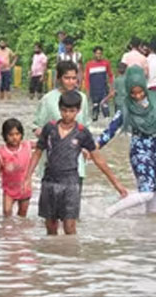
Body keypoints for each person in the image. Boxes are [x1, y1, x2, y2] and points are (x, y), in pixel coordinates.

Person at [24, 90, 127, 235]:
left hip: (71, 182)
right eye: (64, 110)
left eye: (71, 111)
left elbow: (98, 158)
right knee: (51, 225)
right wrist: (27, 177)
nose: (67, 115)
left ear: (78, 111)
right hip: (50, 180)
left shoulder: (82, 132)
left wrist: (117, 184)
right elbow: (38, 152)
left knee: (70, 225)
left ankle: (71, 254)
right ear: (59, 109)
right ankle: (51, 255)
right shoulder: (50, 129)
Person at [96, 66, 156, 217]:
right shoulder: (126, 107)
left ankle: (147, 237)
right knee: (146, 194)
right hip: (140, 152)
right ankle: (110, 211)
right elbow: (112, 129)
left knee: (153, 208)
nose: (137, 96)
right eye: (133, 93)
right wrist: (95, 146)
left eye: (140, 92)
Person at [32, 61, 90, 185]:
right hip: (52, 160)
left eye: (74, 78)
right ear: (59, 78)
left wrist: (86, 150)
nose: (71, 82)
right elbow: (37, 125)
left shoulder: (83, 99)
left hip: (76, 160)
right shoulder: (48, 99)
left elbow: (86, 126)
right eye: (67, 78)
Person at [0, 118, 34, 217]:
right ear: (5, 136)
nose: (14, 137)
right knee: (7, 212)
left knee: (22, 214)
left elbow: (41, 145)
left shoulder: (27, 146)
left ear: (21, 134)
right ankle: (7, 230)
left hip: (24, 188)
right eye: (11, 135)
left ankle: (20, 231)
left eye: (17, 134)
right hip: (9, 189)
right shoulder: (2, 152)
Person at [83, 46, 114, 122]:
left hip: (103, 89)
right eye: (97, 53)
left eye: (100, 53)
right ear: (94, 54)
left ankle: (108, 124)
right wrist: (87, 90)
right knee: (95, 108)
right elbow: (86, 78)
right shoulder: (89, 65)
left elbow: (110, 75)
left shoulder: (106, 63)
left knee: (105, 108)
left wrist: (111, 87)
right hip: (94, 90)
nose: (99, 55)